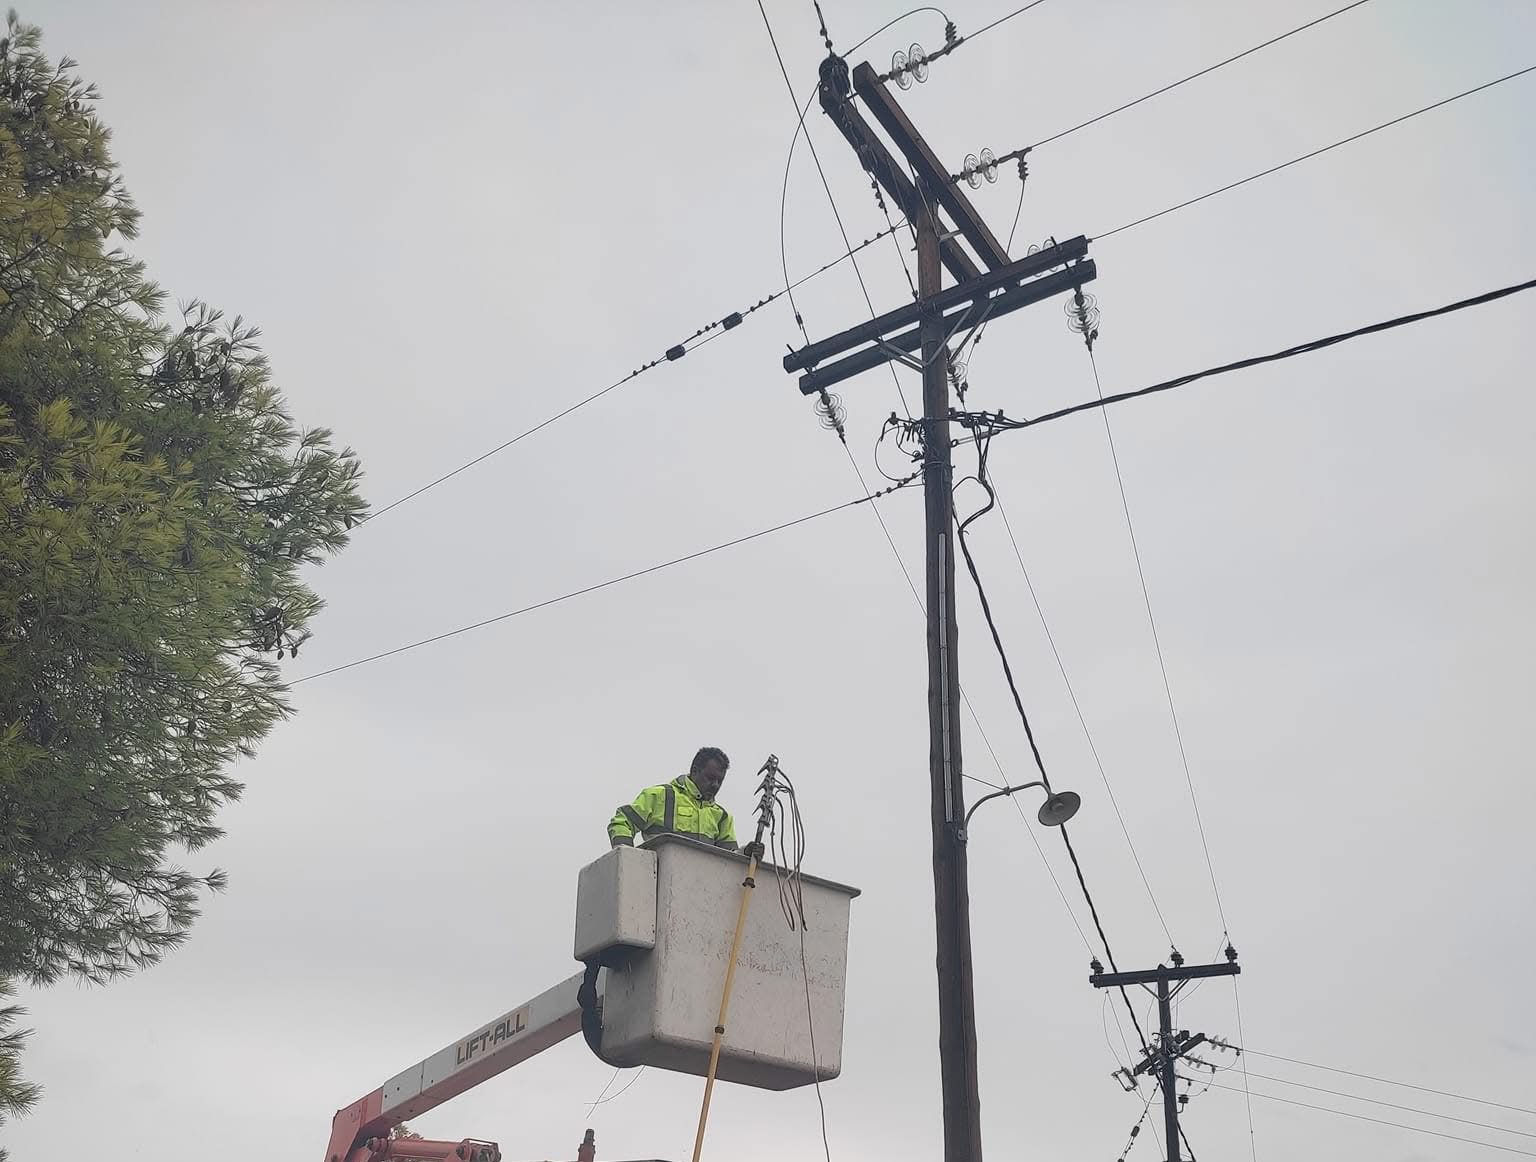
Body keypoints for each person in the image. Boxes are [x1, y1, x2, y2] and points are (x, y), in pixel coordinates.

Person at [607, 746, 738, 851]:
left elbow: (731, 858)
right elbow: (622, 821)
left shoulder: (722, 816)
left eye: (720, 781)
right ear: (695, 771)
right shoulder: (660, 796)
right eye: (710, 778)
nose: (715, 785)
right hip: (658, 880)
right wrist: (627, 857)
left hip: (701, 883)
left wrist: (747, 853)